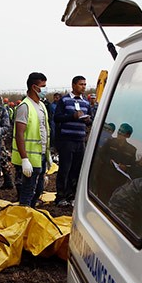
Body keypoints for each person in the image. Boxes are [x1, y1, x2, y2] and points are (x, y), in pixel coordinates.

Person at [12, 72, 52, 207]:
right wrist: (24, 159)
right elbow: (19, 134)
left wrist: (48, 154)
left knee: (39, 189)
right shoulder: (25, 106)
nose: (45, 89)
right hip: (30, 157)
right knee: (28, 190)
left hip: (40, 155)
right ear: (34, 87)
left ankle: (31, 211)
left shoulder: (41, 105)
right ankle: (25, 214)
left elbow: (43, 130)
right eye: (43, 86)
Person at [53, 76, 92, 205]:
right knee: (65, 169)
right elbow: (57, 118)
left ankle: (72, 196)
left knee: (76, 169)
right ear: (74, 85)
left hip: (80, 140)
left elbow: (91, 119)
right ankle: (60, 197)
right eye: (81, 84)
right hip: (67, 140)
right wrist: (72, 116)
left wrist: (87, 120)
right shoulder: (64, 100)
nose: (83, 87)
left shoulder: (86, 102)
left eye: (85, 84)